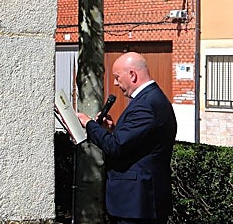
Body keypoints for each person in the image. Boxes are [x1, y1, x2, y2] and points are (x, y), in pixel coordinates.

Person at [75, 52, 176, 224]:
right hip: (137, 202)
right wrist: (111, 130)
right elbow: (134, 143)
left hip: (137, 205)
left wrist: (89, 124)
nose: (115, 83)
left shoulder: (146, 105)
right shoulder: (151, 99)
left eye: (117, 77)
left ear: (132, 75)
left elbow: (115, 147)